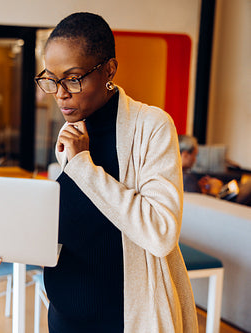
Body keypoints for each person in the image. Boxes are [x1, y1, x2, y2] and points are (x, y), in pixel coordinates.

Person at [35, 13, 198, 332]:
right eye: (51, 79)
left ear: (108, 69)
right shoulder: (73, 128)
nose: (60, 93)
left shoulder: (152, 126)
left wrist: (83, 165)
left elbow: (161, 232)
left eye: (73, 78)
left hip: (123, 319)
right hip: (64, 317)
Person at [179, 134, 251, 205]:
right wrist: (214, 191)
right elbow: (206, 211)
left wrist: (201, 190)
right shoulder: (186, 179)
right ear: (185, 155)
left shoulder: (179, 177)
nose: (195, 160)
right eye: (194, 155)